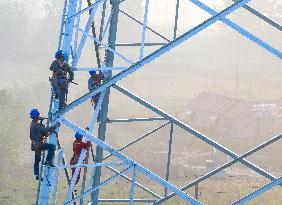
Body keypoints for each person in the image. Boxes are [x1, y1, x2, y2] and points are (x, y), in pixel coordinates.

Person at [29, 108, 60, 180]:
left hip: (36, 144)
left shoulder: (34, 124)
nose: (39, 116)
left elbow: (43, 132)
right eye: (38, 116)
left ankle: (37, 175)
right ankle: (48, 161)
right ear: (36, 116)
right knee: (51, 147)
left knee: (37, 160)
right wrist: (55, 126)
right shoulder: (35, 124)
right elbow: (45, 130)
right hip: (38, 144)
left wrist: (41, 122)